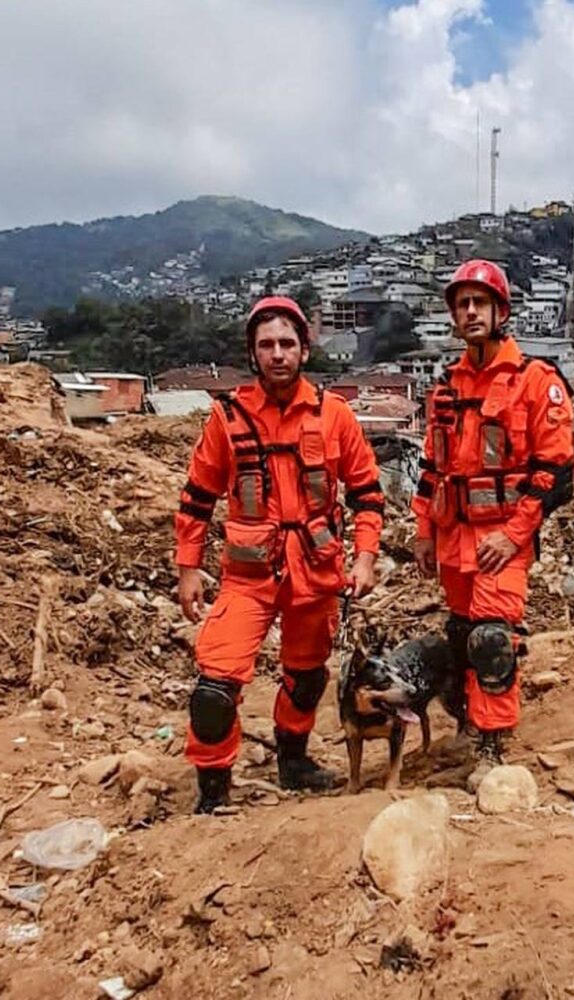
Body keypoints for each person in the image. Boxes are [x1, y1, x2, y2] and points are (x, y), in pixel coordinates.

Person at [175, 296, 384, 813]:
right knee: (215, 688)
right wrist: (188, 568)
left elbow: (367, 495)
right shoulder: (227, 420)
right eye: (266, 345)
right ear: (253, 353)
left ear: (304, 349)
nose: (277, 354)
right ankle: (213, 791)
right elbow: (197, 498)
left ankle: (294, 759)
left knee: (308, 675)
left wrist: (363, 559)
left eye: (287, 343)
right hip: (247, 575)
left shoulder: (334, 417)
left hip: (316, 572)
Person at [411, 260, 574, 783]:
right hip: (454, 536)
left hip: (502, 538)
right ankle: (465, 724)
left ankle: (491, 747)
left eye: (480, 302)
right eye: (462, 304)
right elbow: (431, 469)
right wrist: (422, 532)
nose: (471, 311)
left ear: (500, 311)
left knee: (491, 639)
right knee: (461, 636)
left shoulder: (534, 381)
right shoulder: (446, 387)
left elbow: (554, 471)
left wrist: (514, 534)